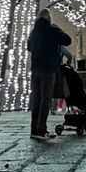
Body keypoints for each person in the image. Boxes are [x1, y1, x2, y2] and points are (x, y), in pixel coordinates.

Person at [26, 8, 71, 140]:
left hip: (35, 69)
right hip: (48, 69)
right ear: (48, 18)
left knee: (37, 99)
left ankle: (34, 129)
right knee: (45, 99)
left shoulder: (34, 32)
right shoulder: (51, 30)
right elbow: (67, 40)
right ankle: (41, 130)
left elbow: (29, 47)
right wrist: (58, 29)